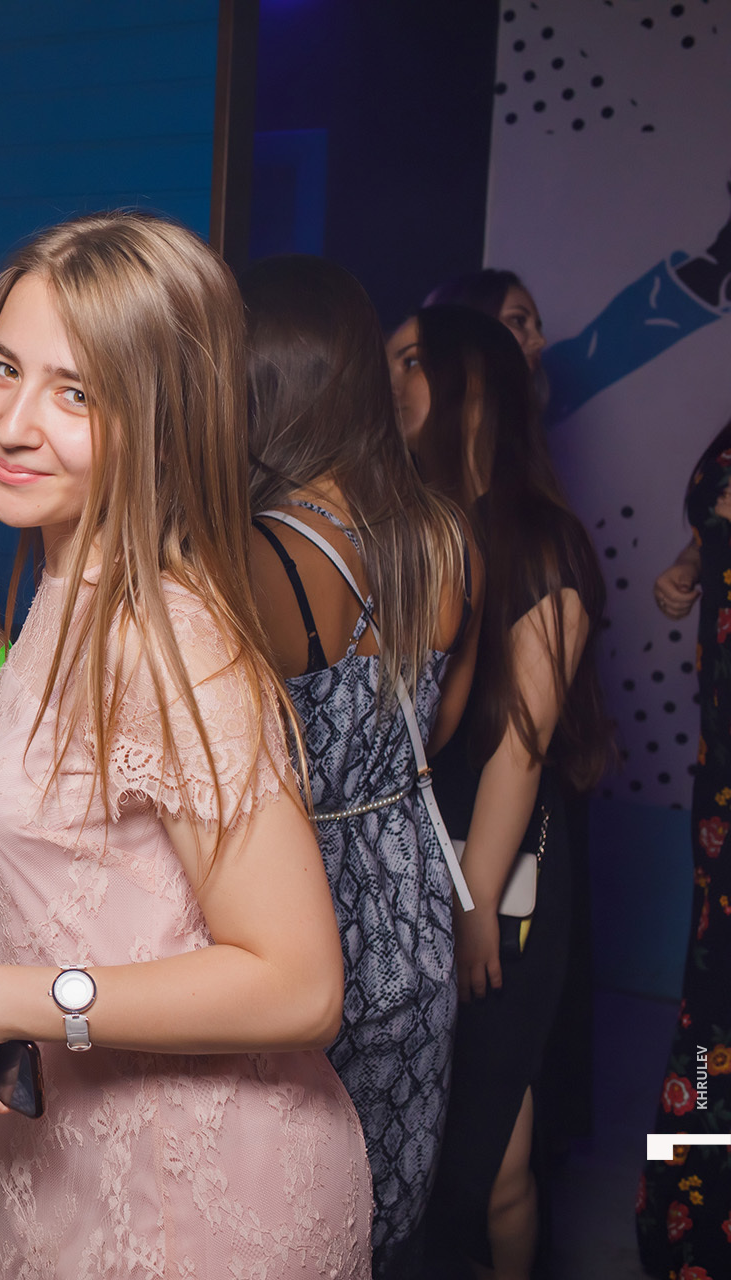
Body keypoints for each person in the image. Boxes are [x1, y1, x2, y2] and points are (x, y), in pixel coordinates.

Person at [0, 213, 372, 1278]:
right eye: (3, 369)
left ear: (161, 423)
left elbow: (301, 982)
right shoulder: (65, 587)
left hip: (195, 1199)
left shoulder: (167, 639)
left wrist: (12, 998)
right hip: (75, 1160)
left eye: (78, 393)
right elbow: (38, 827)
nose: (14, 423)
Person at [241, 255, 480, 1278]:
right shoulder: (442, 536)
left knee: (286, 1220)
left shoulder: (256, 555)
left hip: (299, 918)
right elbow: (440, 726)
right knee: (382, 1218)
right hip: (414, 913)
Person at [387, 304, 608, 1280]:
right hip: (423, 851)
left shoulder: (542, 539)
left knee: (494, 1161)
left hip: (504, 866)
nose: (391, 380)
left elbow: (521, 750)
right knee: (450, 1146)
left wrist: (473, 905)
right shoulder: (416, 527)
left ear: (469, 388)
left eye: (410, 361)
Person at [637, 414, 731, 1278]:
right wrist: (692, 565)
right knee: (711, 999)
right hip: (722, 772)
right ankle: (687, 1199)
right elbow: (715, 531)